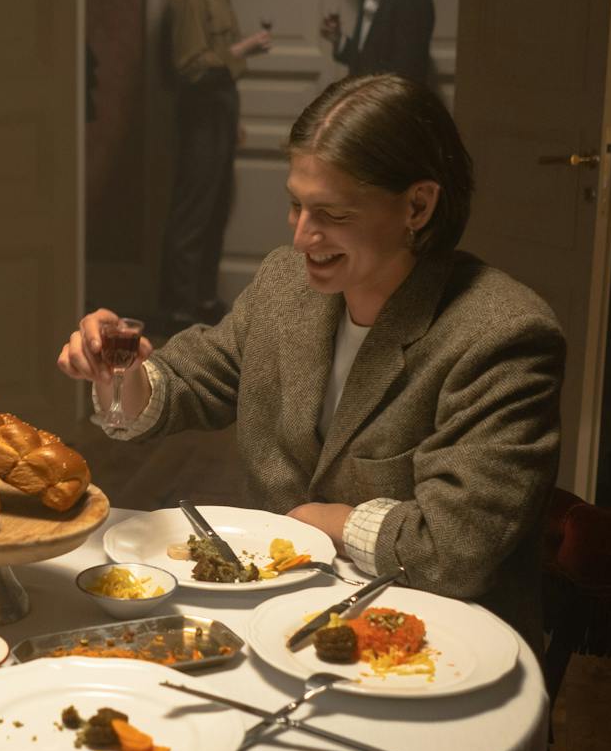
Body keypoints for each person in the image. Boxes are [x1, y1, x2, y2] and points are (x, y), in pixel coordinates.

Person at [58, 73, 563, 650]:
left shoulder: (502, 334)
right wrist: (118, 376)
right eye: (296, 205)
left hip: (431, 643)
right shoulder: (284, 283)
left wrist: (325, 522)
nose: (302, 238)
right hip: (273, 619)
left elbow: (453, 552)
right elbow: (188, 381)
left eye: (333, 214)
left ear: (418, 206)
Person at [157, 0, 273, 334]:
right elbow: (190, 65)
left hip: (219, 113)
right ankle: (179, 309)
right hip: (200, 115)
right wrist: (245, 48)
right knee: (194, 211)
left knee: (217, 206)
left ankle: (202, 299)